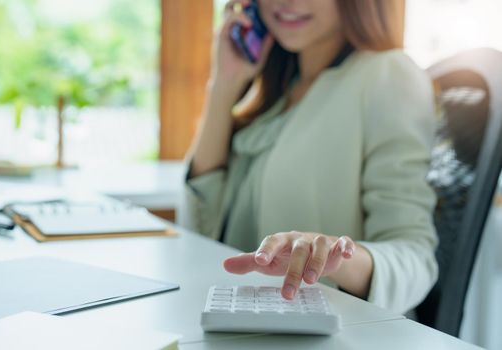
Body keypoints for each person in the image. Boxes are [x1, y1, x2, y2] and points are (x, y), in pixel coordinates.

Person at [180, 0, 438, 314]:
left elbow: (414, 256)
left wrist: (333, 258)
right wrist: (223, 86)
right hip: (246, 321)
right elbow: (199, 230)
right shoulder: (280, 91)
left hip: (339, 333)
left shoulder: (389, 74)